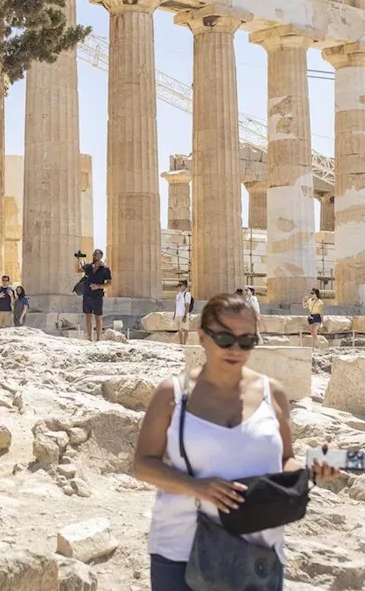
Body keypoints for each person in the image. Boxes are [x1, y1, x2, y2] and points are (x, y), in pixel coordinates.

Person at [132, 293, 338, 589]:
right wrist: (197, 487)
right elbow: (143, 464)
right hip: (181, 548)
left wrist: (311, 469)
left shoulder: (274, 393)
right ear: (202, 337)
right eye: (225, 339)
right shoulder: (172, 394)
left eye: (246, 341)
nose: (236, 350)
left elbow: (283, 461)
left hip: (259, 550)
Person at [76, 249, 112, 342]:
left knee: (98, 317)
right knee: (88, 316)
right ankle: (89, 337)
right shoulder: (88, 266)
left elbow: (109, 283)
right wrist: (78, 259)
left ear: (100, 256)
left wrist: (98, 286)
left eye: (96, 254)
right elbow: (78, 270)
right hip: (87, 294)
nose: (94, 256)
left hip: (97, 295)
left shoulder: (105, 269)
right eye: (93, 254)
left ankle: (99, 338)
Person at [174, 281, 194, 345]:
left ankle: (184, 343)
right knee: (179, 329)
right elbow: (177, 305)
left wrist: (185, 315)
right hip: (178, 314)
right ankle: (181, 342)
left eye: (181, 285)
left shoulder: (187, 294)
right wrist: (175, 314)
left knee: (185, 329)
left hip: (183, 314)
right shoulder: (178, 294)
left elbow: (187, 305)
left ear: (185, 286)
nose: (179, 286)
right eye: (179, 285)